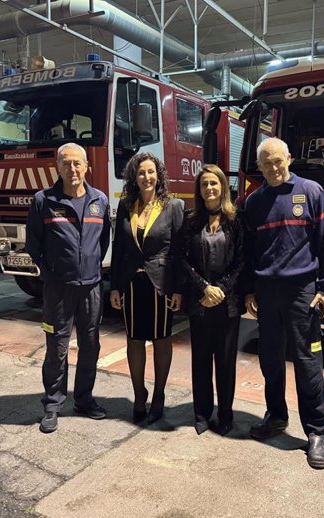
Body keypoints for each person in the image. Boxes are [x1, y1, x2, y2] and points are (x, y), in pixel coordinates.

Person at [243, 137, 324, 469]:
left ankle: (316, 432)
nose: (273, 167)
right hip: (267, 293)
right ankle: (276, 416)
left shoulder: (311, 192)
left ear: (290, 159)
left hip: (302, 293)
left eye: (278, 160)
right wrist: (250, 290)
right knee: (270, 360)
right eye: (266, 163)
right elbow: (250, 251)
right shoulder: (254, 202)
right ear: (260, 167)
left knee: (308, 363)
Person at [26, 143, 110, 434]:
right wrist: (51, 274)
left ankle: (84, 399)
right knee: (57, 347)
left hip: (91, 288)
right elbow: (33, 245)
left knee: (90, 346)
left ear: (87, 166)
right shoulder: (43, 200)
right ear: (57, 167)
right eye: (66, 164)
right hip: (58, 290)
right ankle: (52, 404)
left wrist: (91, 267)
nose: (72, 169)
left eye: (77, 163)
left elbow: (103, 242)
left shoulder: (100, 200)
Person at [109, 152, 184, 425]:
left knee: (161, 340)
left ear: (159, 175)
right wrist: (115, 286)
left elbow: (178, 250)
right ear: (134, 177)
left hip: (160, 284)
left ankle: (160, 394)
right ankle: (139, 394)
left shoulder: (173, 206)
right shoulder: (127, 204)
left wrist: (177, 289)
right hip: (131, 283)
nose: (146, 177)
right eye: (141, 173)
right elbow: (118, 247)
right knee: (134, 340)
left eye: (151, 172)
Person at [181, 165, 244, 436]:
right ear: (199, 189)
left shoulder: (236, 220)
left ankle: (226, 415)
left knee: (226, 362)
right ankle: (201, 413)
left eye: (214, 184)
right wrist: (204, 289)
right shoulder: (191, 220)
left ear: (222, 187)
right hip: (200, 301)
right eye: (204, 184)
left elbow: (242, 260)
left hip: (227, 303)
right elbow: (183, 259)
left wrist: (220, 290)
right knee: (201, 360)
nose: (209, 188)